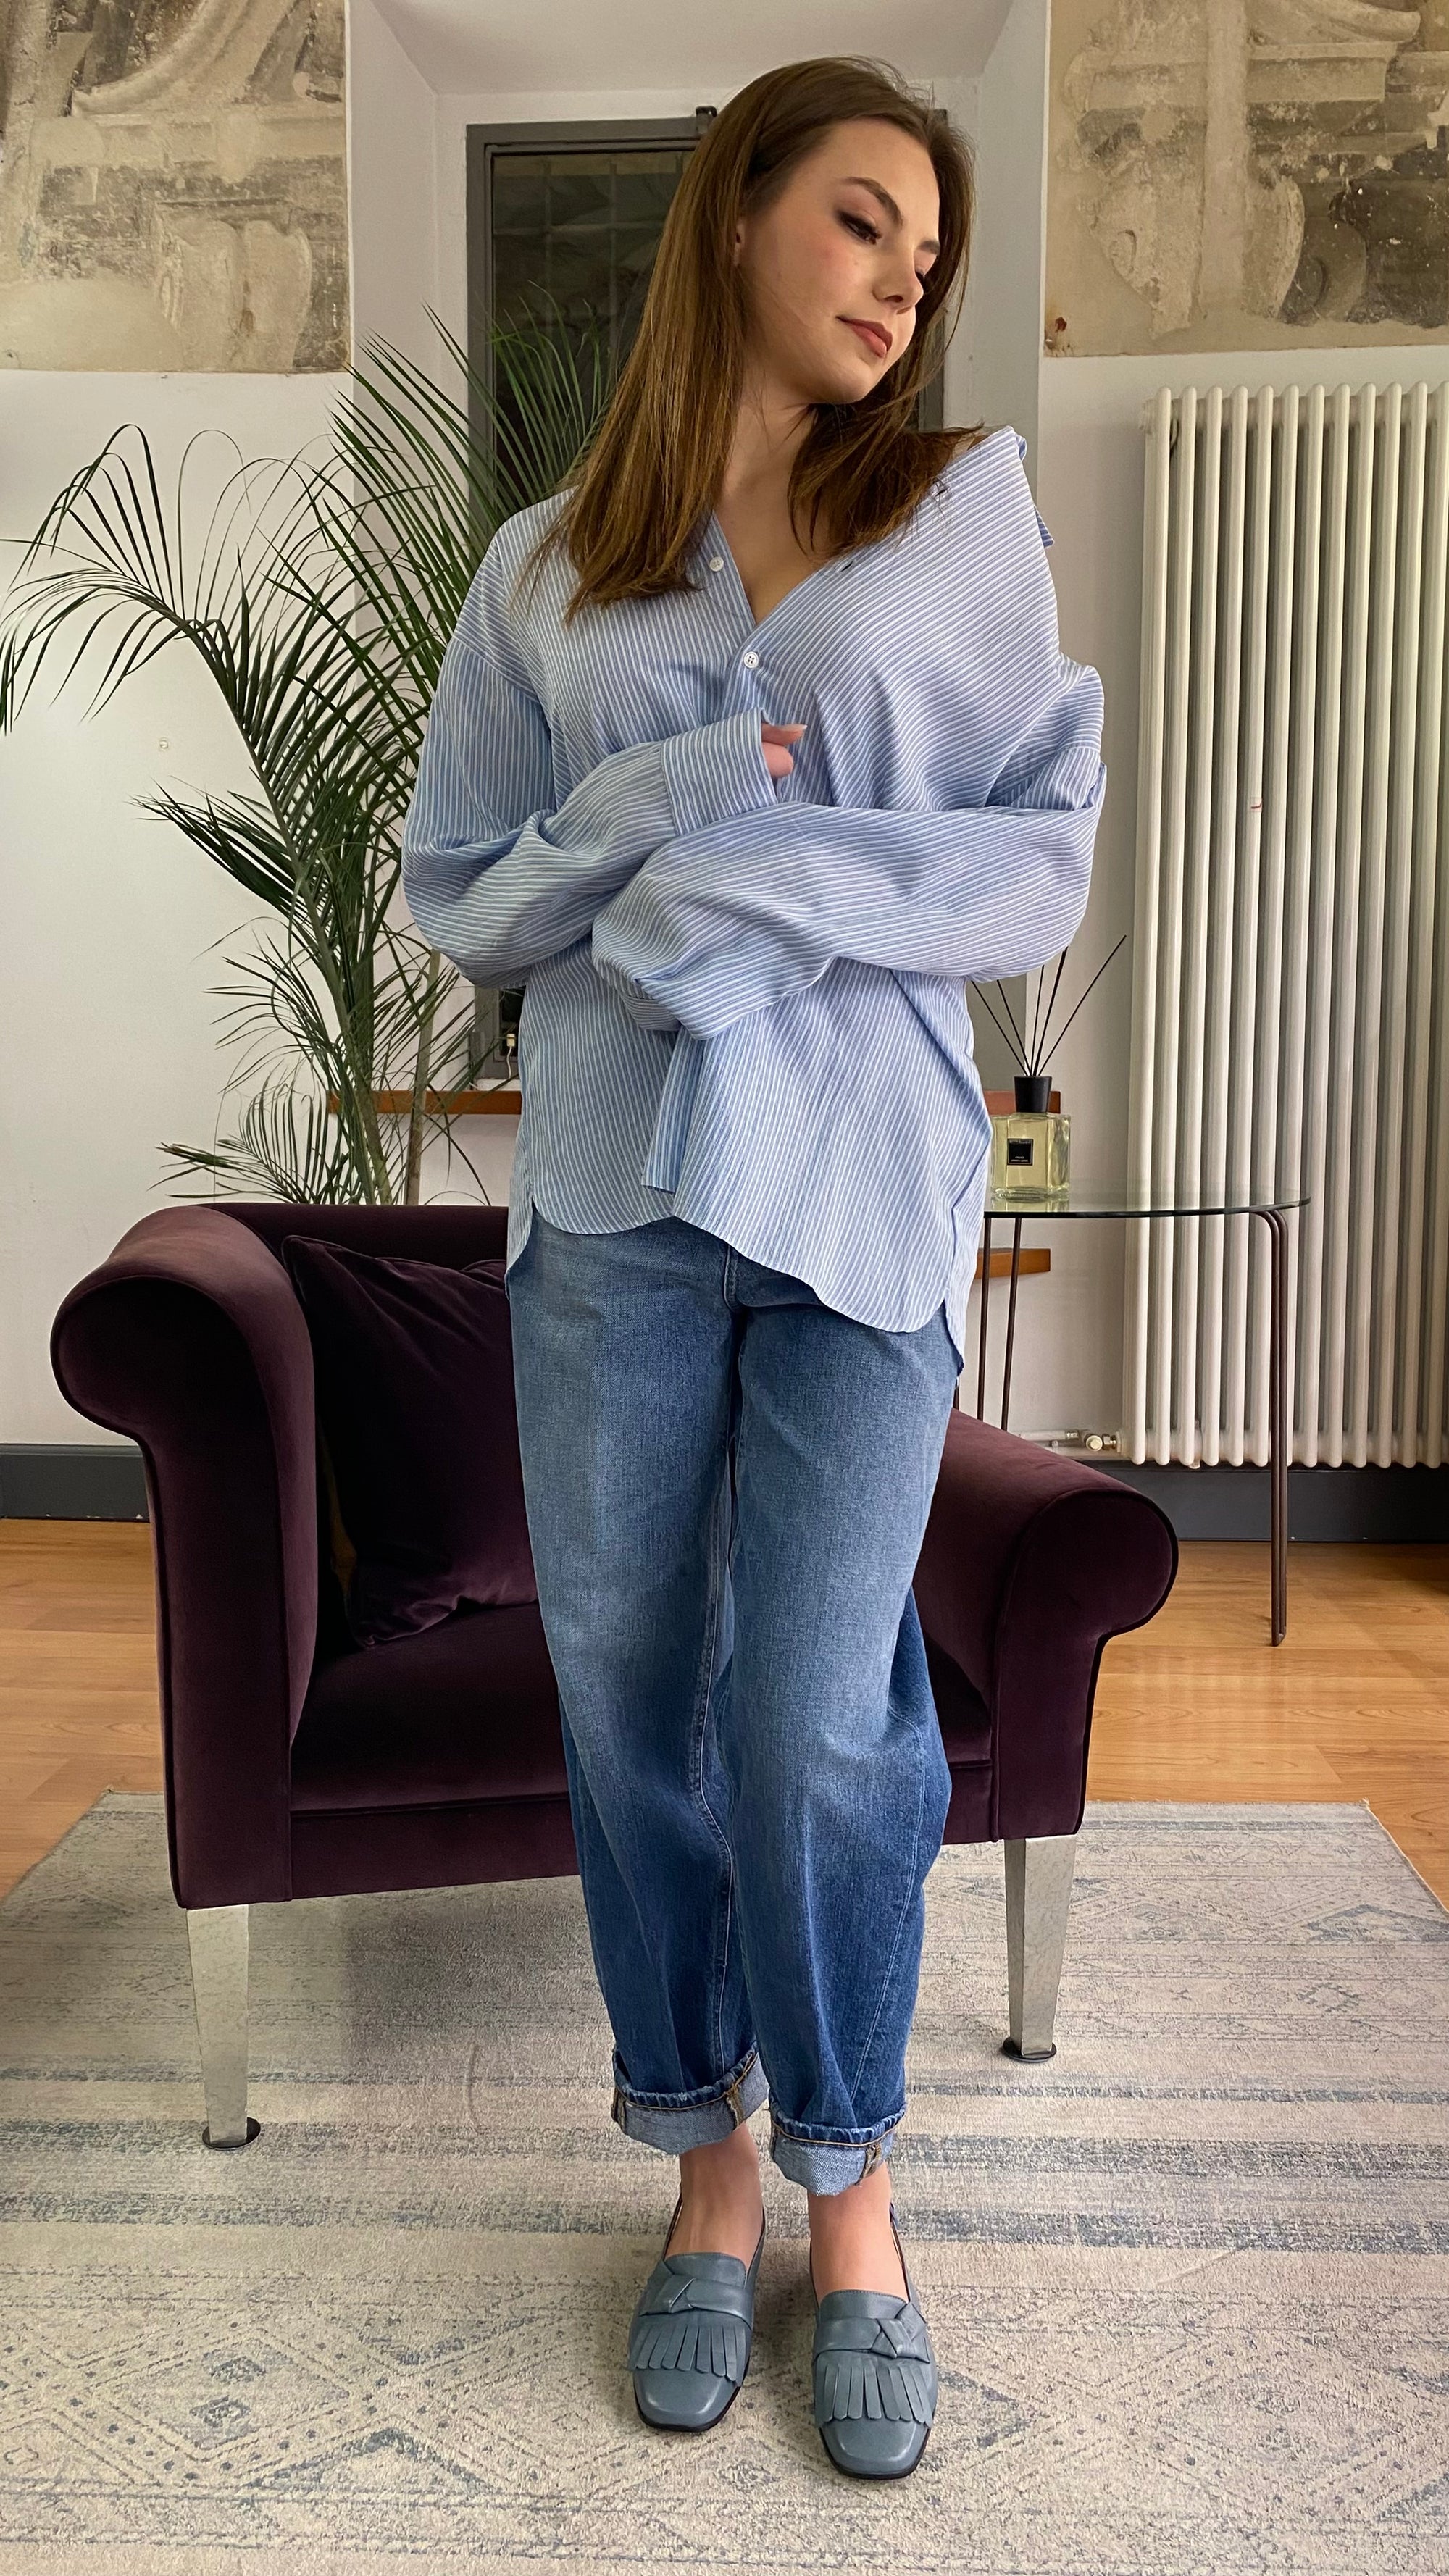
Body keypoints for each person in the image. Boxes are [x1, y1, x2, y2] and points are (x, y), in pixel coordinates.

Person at [401, 54, 1106, 2480]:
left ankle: (855, 2179)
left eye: (931, 250)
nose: (905, 278)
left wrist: (774, 877)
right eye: (864, 218)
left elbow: (1033, 856)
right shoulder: (546, 570)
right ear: (737, 217)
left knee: (817, 1708)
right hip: (613, 1195)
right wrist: (659, 803)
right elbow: (461, 891)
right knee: (628, 1692)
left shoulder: (956, 519)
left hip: (858, 1188)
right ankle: (707, 2154)